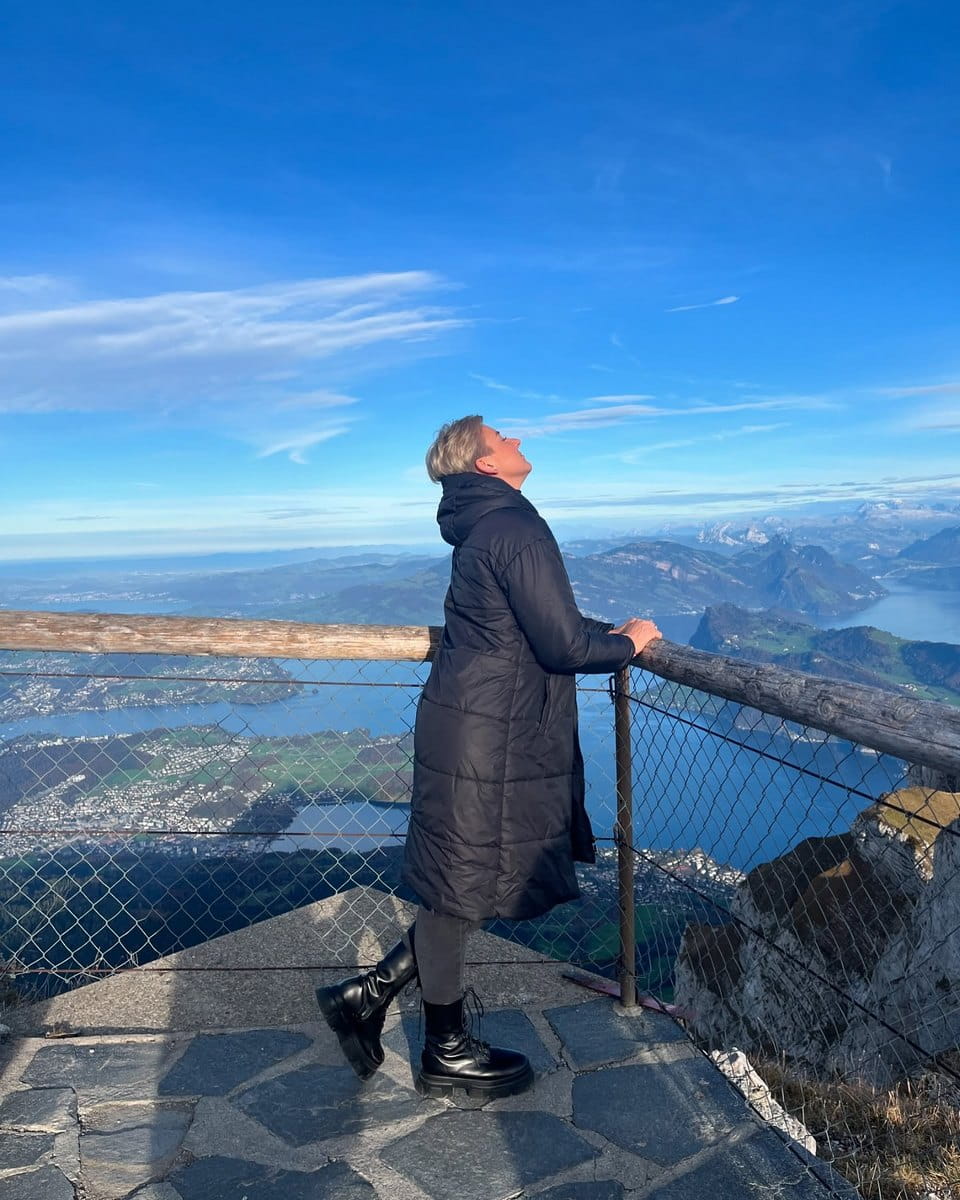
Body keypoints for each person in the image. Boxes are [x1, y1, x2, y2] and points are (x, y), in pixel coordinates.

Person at [317, 415, 661, 1099]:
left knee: (460, 883)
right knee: (461, 888)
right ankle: (441, 1050)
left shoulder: (484, 526)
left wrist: (599, 630)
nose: (521, 444)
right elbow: (562, 648)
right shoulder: (516, 527)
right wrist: (631, 643)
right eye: (507, 440)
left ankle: (368, 998)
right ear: (484, 464)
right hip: (491, 738)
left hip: (472, 725)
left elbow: (525, 620)